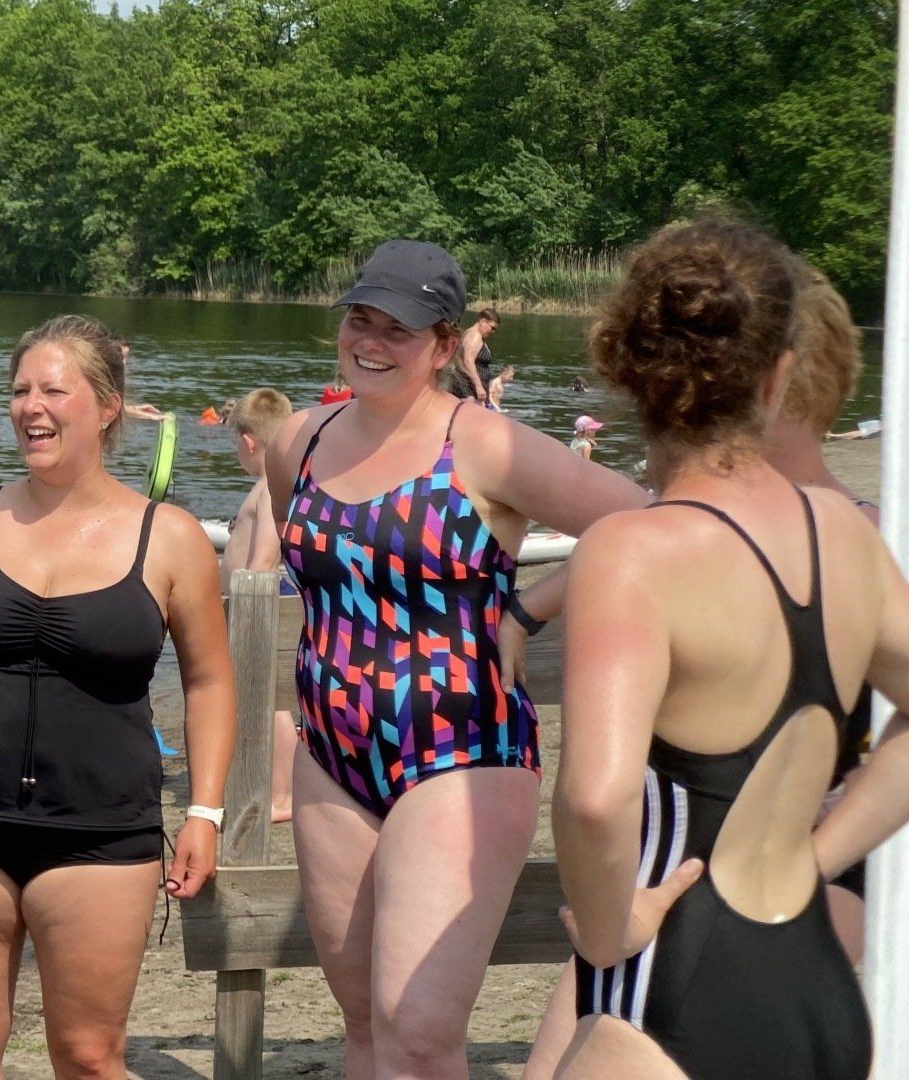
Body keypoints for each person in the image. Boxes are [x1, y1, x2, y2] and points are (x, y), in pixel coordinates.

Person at [259, 239, 650, 1076]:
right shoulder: (299, 441)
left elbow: (648, 526)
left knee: (419, 1032)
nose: (370, 341)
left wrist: (531, 608)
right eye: (361, 319)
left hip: (463, 753)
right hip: (331, 757)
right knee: (364, 1025)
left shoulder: (485, 445)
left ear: (443, 346)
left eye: (397, 329)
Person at [549, 219, 909, 1079]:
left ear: (623, 366)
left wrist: (607, 932)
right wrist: (818, 855)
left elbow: (596, 800)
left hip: (676, 992)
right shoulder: (844, 532)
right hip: (816, 992)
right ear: (780, 374)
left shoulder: (632, 553)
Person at [0, 314, 236, 1077]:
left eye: (53, 390)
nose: (30, 406)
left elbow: (208, 680)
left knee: (89, 1057)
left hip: (101, 835)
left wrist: (205, 811)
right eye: (19, 390)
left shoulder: (170, 537)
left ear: (107, 406)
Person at [223, 388, 301, 824]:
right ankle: (273, 786)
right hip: (251, 603)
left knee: (272, 703)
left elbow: (265, 558)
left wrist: (246, 612)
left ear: (249, 441)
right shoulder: (269, 483)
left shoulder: (272, 485)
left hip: (259, 605)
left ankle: (283, 795)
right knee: (263, 700)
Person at [444, 306, 499, 402]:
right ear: (483, 321)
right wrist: (478, 386)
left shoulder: (470, 333)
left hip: (469, 388)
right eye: (492, 327)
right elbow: (468, 361)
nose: (493, 332)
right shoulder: (474, 336)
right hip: (469, 389)